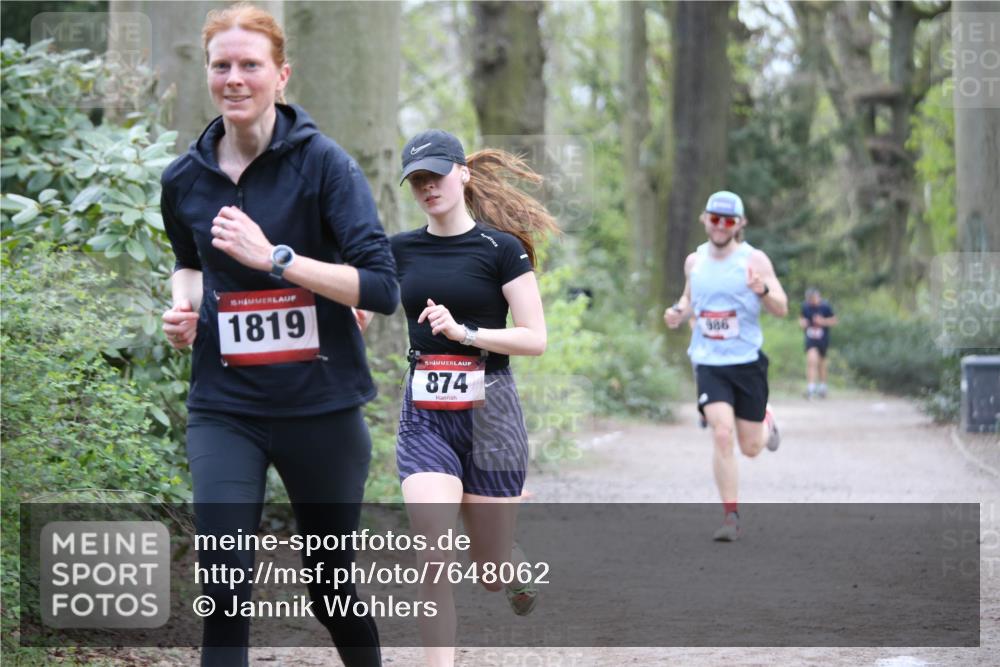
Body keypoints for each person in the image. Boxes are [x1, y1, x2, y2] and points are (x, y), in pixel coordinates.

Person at [159, 4, 396, 665]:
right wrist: (183, 308)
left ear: (281, 74)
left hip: (321, 407)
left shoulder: (325, 167)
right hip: (225, 406)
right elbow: (189, 264)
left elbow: (381, 287)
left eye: (250, 65)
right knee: (224, 583)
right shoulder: (184, 179)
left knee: (330, 587)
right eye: (221, 66)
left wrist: (277, 259)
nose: (234, 78)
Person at [389, 129, 557, 666]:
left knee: (489, 573)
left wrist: (465, 334)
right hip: (426, 416)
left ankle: (507, 559)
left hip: (492, 414)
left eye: (436, 175)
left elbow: (535, 338)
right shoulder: (399, 250)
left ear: (462, 173)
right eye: (417, 180)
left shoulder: (501, 249)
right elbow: (361, 301)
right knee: (432, 554)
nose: (428, 187)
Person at [664, 190, 788, 542]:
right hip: (709, 362)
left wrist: (762, 290)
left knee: (751, 448)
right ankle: (731, 517)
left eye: (728, 221)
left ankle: (766, 421)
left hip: (747, 363)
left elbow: (782, 307)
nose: (720, 226)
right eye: (715, 219)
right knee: (722, 433)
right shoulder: (695, 261)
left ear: (740, 224)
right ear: (705, 219)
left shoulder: (755, 260)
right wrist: (678, 312)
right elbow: (691, 299)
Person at [800, 287, 837, 399]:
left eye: (813, 298)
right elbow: (801, 318)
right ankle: (811, 388)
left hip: (823, 339)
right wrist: (803, 323)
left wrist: (823, 321)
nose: (811, 301)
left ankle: (822, 387)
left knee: (822, 363)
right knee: (811, 361)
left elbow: (834, 320)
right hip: (811, 338)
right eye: (809, 299)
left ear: (818, 297)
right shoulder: (805, 306)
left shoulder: (825, 307)